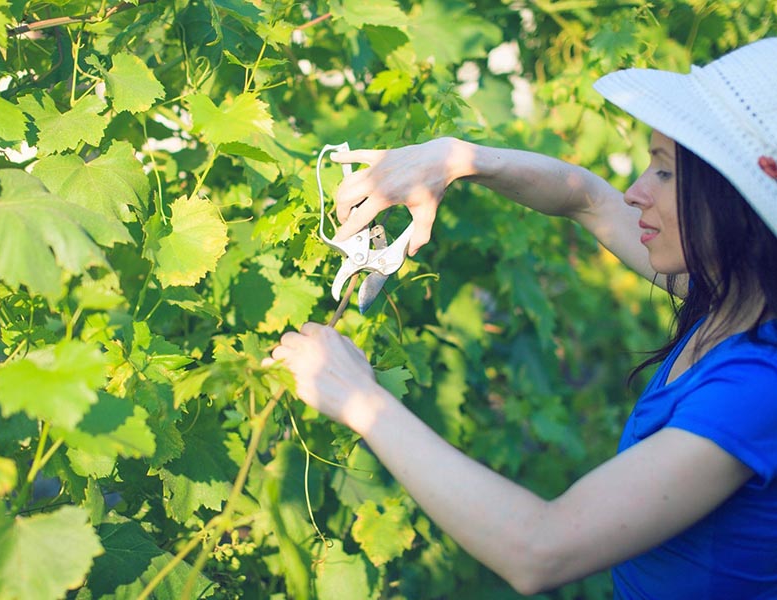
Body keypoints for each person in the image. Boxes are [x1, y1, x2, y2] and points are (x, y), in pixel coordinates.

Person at [265, 38, 777, 598]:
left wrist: (358, 398)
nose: (635, 193)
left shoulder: (757, 389)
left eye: (665, 173)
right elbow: (588, 199)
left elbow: (540, 549)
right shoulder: (733, 292)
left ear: (736, 198)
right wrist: (453, 159)